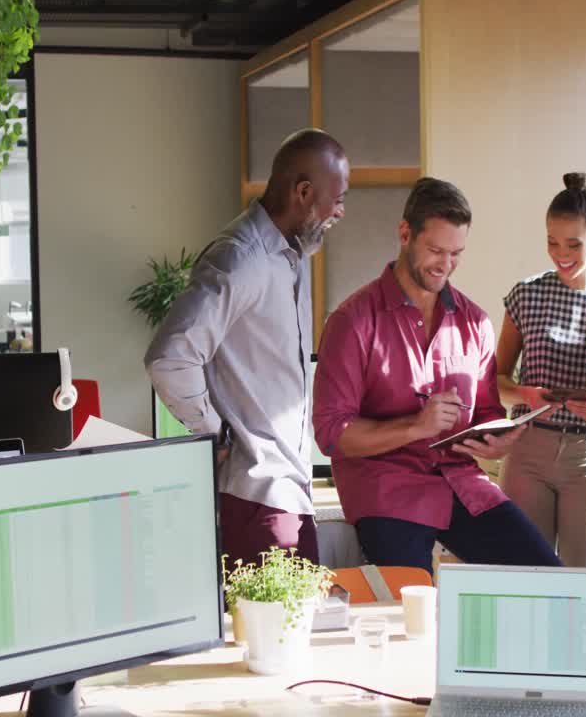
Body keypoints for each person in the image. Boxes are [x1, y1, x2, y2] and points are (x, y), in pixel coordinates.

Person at [313, 177, 561, 573]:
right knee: (414, 602)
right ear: (405, 234)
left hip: (462, 484)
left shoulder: (474, 322)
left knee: (549, 577)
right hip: (387, 491)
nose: (445, 265)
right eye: (435, 250)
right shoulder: (352, 321)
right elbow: (331, 433)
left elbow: (485, 413)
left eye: (456, 253)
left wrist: (497, 443)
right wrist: (415, 426)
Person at [145, 128, 349, 567]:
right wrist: (215, 432)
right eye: (336, 198)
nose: (340, 211)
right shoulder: (240, 258)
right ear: (303, 192)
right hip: (256, 498)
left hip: (288, 492)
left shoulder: (292, 254)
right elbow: (170, 358)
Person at [496, 173, 586, 568]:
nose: (561, 253)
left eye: (574, 244)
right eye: (552, 242)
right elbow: (495, 381)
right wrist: (525, 394)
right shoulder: (527, 295)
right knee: (526, 578)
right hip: (528, 451)